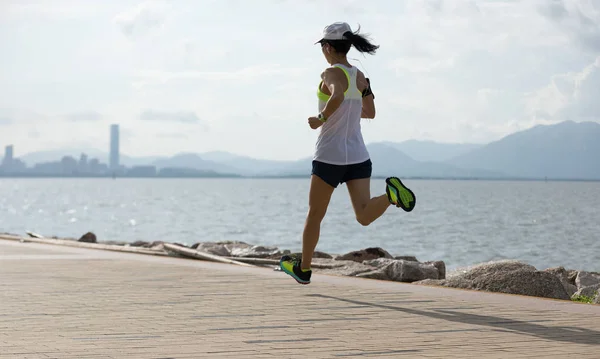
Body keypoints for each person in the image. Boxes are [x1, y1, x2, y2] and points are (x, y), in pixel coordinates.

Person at [279, 22, 416, 285]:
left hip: (329, 156)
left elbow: (338, 95)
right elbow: (370, 112)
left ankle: (304, 270)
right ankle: (390, 196)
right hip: (357, 157)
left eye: (322, 47)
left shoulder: (329, 73)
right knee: (364, 215)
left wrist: (321, 118)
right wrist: (346, 112)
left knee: (315, 214)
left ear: (328, 47)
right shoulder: (361, 77)